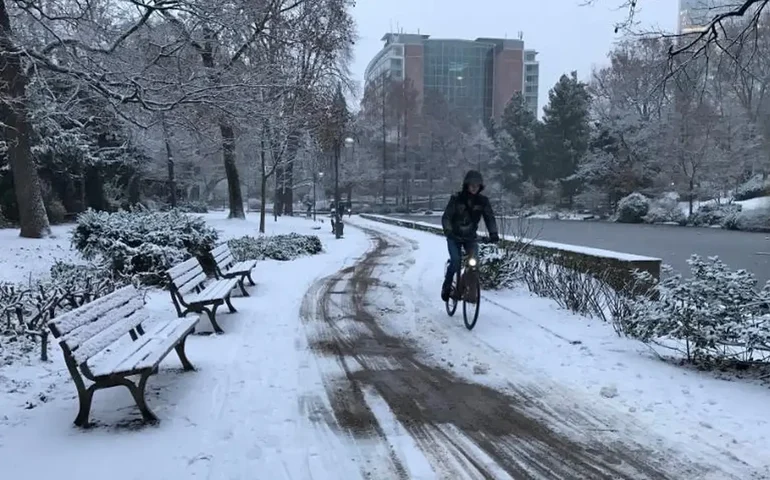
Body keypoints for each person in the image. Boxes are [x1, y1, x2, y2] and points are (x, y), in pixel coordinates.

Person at [440, 170, 500, 302]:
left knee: (474, 264)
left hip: (470, 238)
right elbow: (446, 217)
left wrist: (493, 234)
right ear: (466, 185)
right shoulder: (456, 199)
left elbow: (489, 218)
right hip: (454, 236)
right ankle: (447, 285)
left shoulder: (483, 201)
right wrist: (448, 231)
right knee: (456, 262)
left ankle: (464, 289)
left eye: (477, 185)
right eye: (471, 184)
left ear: (480, 187)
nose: (474, 187)